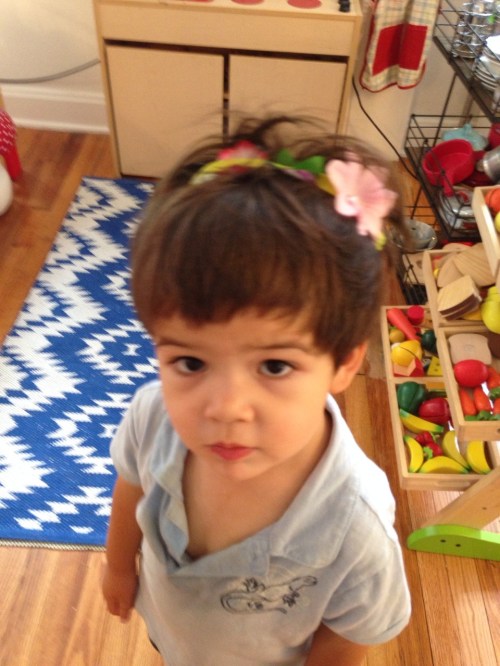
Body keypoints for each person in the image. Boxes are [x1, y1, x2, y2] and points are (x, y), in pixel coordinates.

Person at [102, 115, 411, 665]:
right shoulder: (153, 416)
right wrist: (119, 566)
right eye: (190, 362)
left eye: (273, 366)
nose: (225, 409)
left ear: (343, 362)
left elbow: (348, 638)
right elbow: (131, 487)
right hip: (170, 633)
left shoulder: (354, 524)